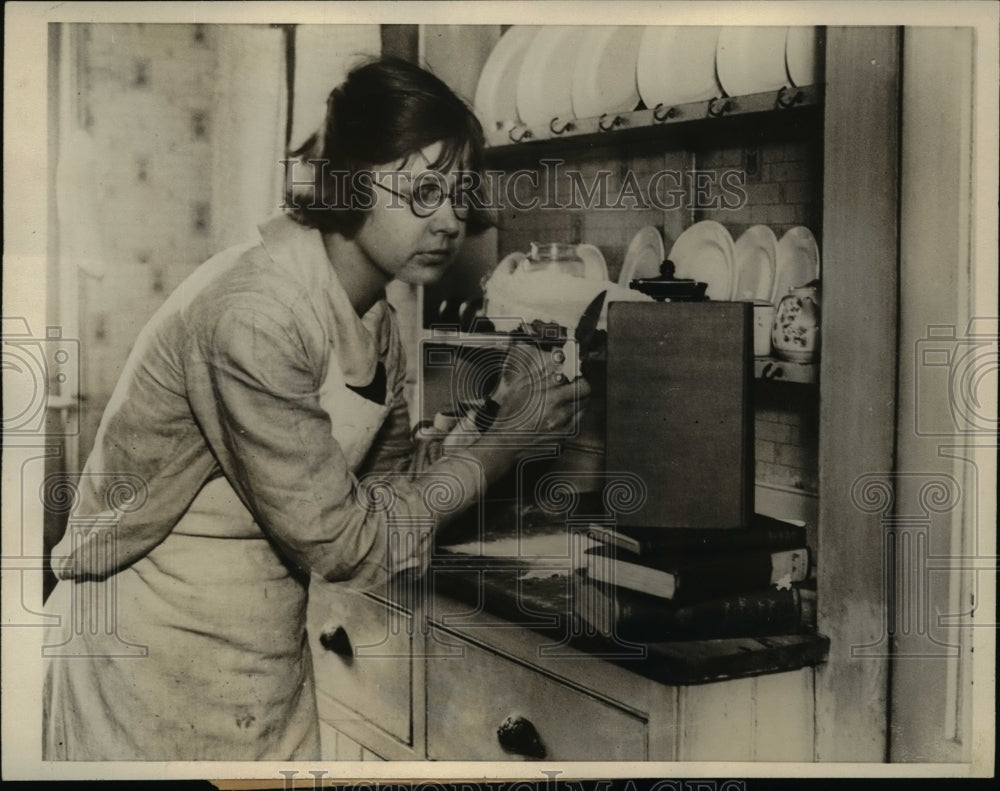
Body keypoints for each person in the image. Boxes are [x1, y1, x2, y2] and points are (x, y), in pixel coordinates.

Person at [42, 56, 588, 761]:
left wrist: (489, 419)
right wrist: (502, 444)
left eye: (459, 192)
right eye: (424, 190)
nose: (453, 219)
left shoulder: (373, 319)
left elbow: (384, 490)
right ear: (354, 183)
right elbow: (349, 542)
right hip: (147, 657)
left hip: (257, 653)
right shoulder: (253, 313)